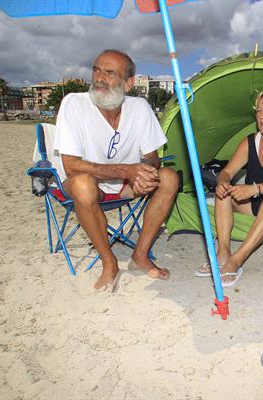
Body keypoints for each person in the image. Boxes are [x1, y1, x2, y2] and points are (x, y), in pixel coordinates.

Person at [54, 49, 179, 290]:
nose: (99, 78)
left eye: (109, 73)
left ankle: (140, 256)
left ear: (128, 83)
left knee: (169, 178)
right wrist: (126, 171)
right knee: (83, 184)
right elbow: (71, 167)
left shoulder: (140, 108)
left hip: (124, 185)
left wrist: (145, 173)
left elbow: (153, 158)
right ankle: (108, 261)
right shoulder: (74, 103)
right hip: (84, 186)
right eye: (96, 70)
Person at [196, 89, 263, 287]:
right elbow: (226, 172)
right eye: (258, 111)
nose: (261, 115)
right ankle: (222, 253)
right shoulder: (250, 142)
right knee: (225, 193)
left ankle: (236, 260)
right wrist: (222, 182)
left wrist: (254, 189)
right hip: (258, 206)